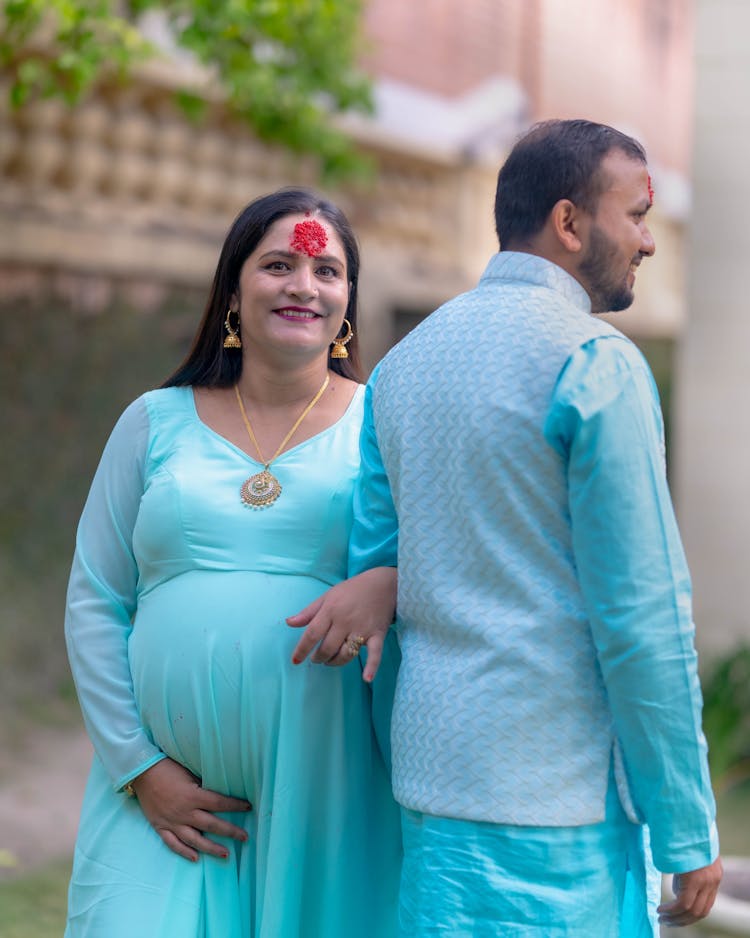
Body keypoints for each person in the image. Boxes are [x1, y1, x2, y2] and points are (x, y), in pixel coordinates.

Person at [292, 120, 722, 935]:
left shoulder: (403, 366)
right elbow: (642, 620)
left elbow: (377, 583)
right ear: (569, 223)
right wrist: (686, 824)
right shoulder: (595, 363)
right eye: (636, 215)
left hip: (430, 784)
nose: (649, 241)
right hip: (553, 804)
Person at [64, 187, 402, 937]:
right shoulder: (153, 421)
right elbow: (95, 598)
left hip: (326, 787)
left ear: (347, 302)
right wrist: (139, 768)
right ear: (234, 288)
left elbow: (454, 565)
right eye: (278, 264)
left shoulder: (383, 426)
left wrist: (389, 582)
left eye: (327, 271)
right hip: (157, 801)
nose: (303, 286)